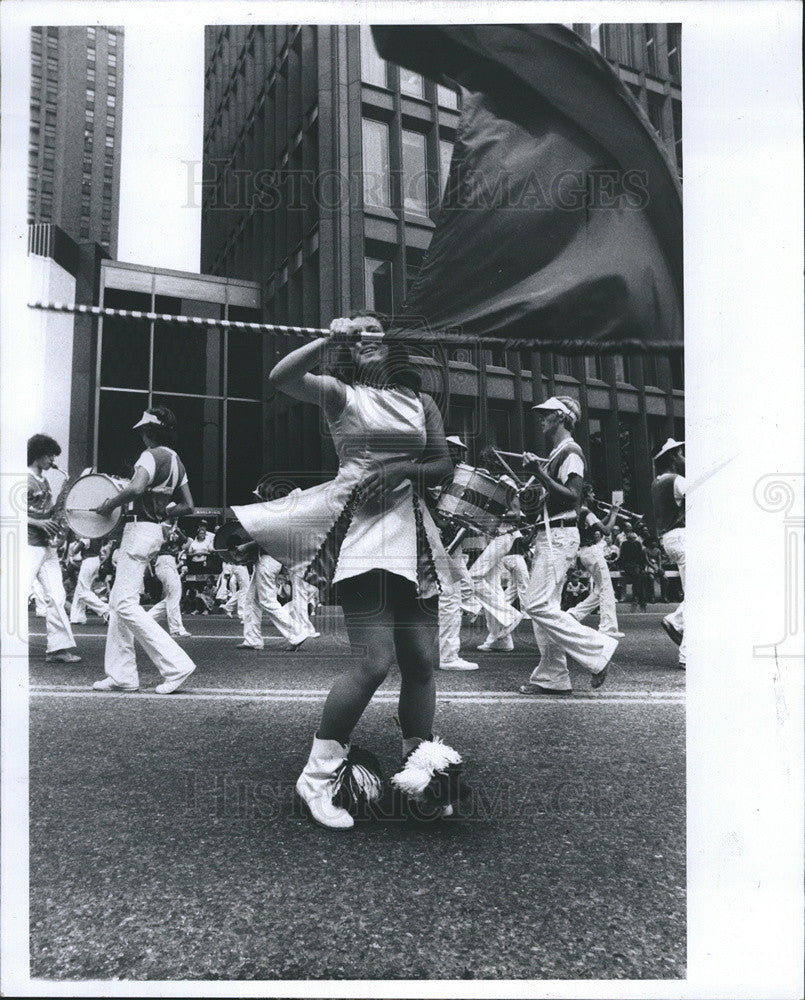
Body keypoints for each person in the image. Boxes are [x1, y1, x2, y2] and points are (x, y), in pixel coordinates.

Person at [232, 312, 465, 829]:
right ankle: (316, 778)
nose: (365, 341)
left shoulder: (420, 402)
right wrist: (324, 338)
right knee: (374, 661)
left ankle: (419, 774)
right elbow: (282, 379)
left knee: (424, 660)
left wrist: (402, 469)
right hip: (362, 533)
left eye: (372, 332)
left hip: (417, 537)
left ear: (393, 346)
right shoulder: (342, 394)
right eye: (355, 338)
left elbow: (443, 464)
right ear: (349, 350)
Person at [92, 408, 197, 693]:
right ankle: (122, 675)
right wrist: (163, 512)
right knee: (118, 603)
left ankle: (176, 665)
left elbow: (137, 488)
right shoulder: (177, 461)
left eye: (143, 429)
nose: (141, 434)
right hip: (153, 532)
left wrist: (109, 504)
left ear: (151, 431)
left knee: (124, 604)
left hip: (138, 531)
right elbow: (188, 506)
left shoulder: (150, 456)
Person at [517, 397, 617, 695]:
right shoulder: (558, 452)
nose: (542, 420)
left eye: (546, 415)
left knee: (536, 605)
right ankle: (553, 677)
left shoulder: (571, 451)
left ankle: (598, 649)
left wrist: (539, 474)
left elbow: (572, 496)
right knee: (544, 607)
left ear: (561, 417)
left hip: (560, 536)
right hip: (552, 534)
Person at [27, 434, 81, 663]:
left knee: (57, 596)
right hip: (26, 545)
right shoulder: (23, 478)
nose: (52, 460)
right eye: (49, 455)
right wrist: (39, 523)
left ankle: (58, 649)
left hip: (45, 546)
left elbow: (49, 512)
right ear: (38, 454)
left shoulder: (44, 480)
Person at [433, 434, 479, 671]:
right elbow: (429, 506)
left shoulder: (453, 475)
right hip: (440, 542)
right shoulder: (438, 473)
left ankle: (445, 651)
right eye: (453, 450)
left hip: (452, 542)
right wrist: (440, 524)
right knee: (450, 598)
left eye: (460, 451)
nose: (458, 455)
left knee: (461, 591)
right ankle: (448, 655)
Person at [567, 485, 624, 637]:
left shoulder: (579, 511)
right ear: (586, 495)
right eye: (591, 492)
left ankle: (574, 614)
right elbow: (606, 531)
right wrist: (614, 514)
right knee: (606, 589)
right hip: (592, 551)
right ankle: (608, 627)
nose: (594, 494)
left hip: (584, 552)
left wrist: (610, 513)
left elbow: (597, 525)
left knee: (599, 590)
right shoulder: (586, 511)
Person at [651, 438, 686, 668]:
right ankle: (686, 653)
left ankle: (677, 619)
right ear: (672, 457)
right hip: (683, 536)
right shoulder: (677, 480)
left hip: (669, 538)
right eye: (681, 454)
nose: (684, 458)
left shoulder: (657, 482)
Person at [147, 520, 191, 638]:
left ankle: (146, 619)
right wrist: (170, 532)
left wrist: (176, 529)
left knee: (172, 597)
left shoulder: (174, 527)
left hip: (170, 562)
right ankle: (176, 629)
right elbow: (163, 543)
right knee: (175, 595)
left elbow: (185, 541)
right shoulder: (160, 527)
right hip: (164, 560)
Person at [69, 537, 110, 625]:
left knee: (82, 592)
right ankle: (77, 617)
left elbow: (74, 552)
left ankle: (106, 609)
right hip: (95, 560)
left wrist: (75, 545)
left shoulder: (86, 537)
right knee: (79, 590)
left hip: (88, 561)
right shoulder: (97, 535)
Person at [618, 526, 650, 611]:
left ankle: (636, 597)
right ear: (628, 538)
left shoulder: (638, 544)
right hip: (628, 565)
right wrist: (621, 567)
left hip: (636, 566)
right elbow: (622, 557)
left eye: (634, 538)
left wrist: (642, 567)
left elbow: (641, 557)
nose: (633, 540)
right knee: (638, 576)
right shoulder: (624, 544)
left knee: (640, 576)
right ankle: (641, 599)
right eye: (631, 538)